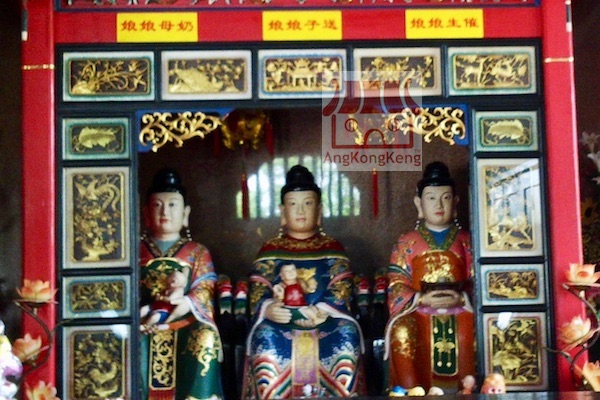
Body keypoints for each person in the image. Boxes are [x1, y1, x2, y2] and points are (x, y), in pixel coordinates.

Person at [242, 165, 365, 399]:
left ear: (319, 211)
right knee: (264, 337)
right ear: (282, 211)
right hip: (282, 321)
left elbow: (342, 286)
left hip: (325, 319)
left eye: (308, 203)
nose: (300, 210)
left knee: (347, 333)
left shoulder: (331, 247)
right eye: (293, 204)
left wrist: (321, 310)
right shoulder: (270, 249)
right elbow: (258, 288)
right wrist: (269, 308)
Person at [384, 161, 475, 394]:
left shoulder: (467, 240)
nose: (439, 205)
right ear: (419, 203)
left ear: (456, 202)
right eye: (431, 198)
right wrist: (420, 299)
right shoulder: (407, 241)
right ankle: (411, 391)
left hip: (461, 309)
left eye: (446, 198)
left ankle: (469, 391)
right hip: (419, 311)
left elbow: (480, 281)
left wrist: (462, 297)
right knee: (402, 332)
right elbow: (396, 282)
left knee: (477, 329)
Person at [140, 168, 223, 400]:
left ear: (186, 213)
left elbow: (205, 287)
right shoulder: (135, 251)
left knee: (206, 335)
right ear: (146, 213)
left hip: (185, 322)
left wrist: (186, 303)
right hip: (145, 322)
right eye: (157, 205)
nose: (164, 211)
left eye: (172, 205)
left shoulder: (197, 252)